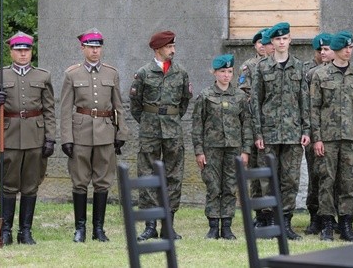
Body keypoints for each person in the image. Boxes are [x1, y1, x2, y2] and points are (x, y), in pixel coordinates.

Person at [0, 32, 55, 246]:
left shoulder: (42, 76)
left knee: (30, 185)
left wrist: (50, 137)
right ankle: (5, 230)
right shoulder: (0, 76)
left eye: (26, 50)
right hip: (11, 136)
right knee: (8, 184)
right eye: (19, 50)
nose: (23, 54)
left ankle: (25, 231)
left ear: (31, 52)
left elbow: (49, 110)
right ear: (11, 52)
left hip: (35, 135)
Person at [60, 28, 129, 243]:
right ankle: (80, 228)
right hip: (80, 133)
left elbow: (119, 105)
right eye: (91, 47)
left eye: (98, 47)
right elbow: (64, 108)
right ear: (83, 48)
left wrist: (121, 132)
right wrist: (67, 138)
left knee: (103, 182)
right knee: (80, 182)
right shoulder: (72, 74)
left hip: (106, 132)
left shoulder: (111, 73)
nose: (95, 51)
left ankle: (99, 229)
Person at [310, 30, 353, 242]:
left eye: (351, 47)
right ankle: (327, 225)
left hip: (351, 138)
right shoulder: (320, 75)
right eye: (345, 47)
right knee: (326, 181)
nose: (349, 51)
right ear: (335, 50)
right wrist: (317, 138)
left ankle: (346, 225)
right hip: (327, 138)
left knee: (348, 182)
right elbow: (314, 109)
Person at [129, 30, 192, 241]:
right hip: (150, 132)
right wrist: (150, 121)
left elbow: (184, 102)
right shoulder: (143, 73)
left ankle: (168, 225)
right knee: (147, 175)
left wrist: (170, 118)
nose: (173, 50)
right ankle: (150, 225)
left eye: (174, 46)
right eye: (169, 47)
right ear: (158, 49)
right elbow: (135, 106)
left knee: (173, 176)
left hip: (173, 131)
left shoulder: (181, 73)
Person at [251, 22, 310, 240]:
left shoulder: (299, 67)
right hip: (269, 133)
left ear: (290, 40)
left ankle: (285, 223)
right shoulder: (262, 67)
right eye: (277, 39)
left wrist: (307, 129)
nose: (281, 42)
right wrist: (258, 133)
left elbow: (305, 100)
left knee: (290, 179)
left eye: (285, 38)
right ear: (272, 43)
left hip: (293, 133)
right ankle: (271, 221)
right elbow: (255, 103)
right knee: (268, 179)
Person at [192, 54, 252, 240]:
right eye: (222, 71)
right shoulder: (205, 96)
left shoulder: (240, 96)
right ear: (214, 73)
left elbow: (247, 125)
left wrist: (245, 150)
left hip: (233, 148)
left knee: (230, 186)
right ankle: (212, 226)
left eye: (229, 71)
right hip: (212, 149)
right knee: (213, 186)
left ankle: (227, 226)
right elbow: (197, 125)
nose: (226, 75)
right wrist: (199, 151)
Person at [303, 32, 333, 235]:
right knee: (315, 176)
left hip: (334, 134)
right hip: (314, 133)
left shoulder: (340, 70)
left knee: (333, 178)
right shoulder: (306, 71)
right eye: (319, 50)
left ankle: (331, 217)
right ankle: (315, 216)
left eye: (326, 49)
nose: (322, 53)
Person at [237, 28, 267, 227]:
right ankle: (260, 214)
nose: (264, 46)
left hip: (272, 123)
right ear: (255, 45)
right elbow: (243, 94)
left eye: (267, 42)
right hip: (253, 121)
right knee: (256, 171)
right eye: (260, 43)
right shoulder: (248, 66)